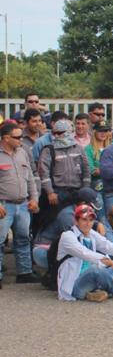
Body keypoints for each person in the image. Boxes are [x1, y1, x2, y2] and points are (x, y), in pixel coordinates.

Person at [56, 204, 113, 302]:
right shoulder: (67, 236)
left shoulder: (91, 233)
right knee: (95, 270)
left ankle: (99, 292)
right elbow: (85, 253)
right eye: (84, 220)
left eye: (91, 220)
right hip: (75, 285)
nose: (88, 224)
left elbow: (109, 246)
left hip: (96, 280)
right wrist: (111, 263)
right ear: (76, 221)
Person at [0, 122, 40, 288]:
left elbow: (30, 177)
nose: (20, 140)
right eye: (17, 137)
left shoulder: (22, 152)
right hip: (4, 205)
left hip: (23, 204)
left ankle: (24, 272)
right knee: (0, 241)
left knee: (23, 239)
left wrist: (34, 198)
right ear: (6, 138)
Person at [38, 119, 91, 228]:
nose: (56, 136)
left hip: (77, 192)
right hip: (57, 193)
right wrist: (50, 192)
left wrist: (85, 191)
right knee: (54, 222)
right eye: (54, 133)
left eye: (60, 133)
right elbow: (44, 173)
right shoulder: (49, 150)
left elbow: (86, 171)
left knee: (77, 222)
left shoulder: (78, 149)